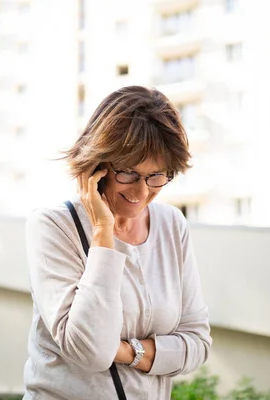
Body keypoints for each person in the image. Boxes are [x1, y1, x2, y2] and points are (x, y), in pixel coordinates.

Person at [23, 86, 212, 399]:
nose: (141, 192)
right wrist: (102, 232)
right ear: (97, 166)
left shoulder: (172, 225)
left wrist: (126, 351)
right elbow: (92, 352)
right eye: (128, 173)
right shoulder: (53, 226)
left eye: (156, 176)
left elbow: (197, 343)